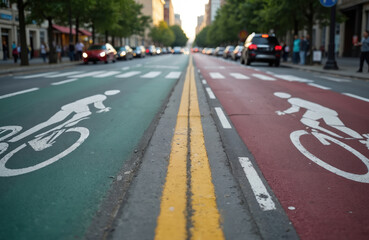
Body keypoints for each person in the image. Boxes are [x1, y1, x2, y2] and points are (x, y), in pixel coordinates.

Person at [274, 92, 368, 146]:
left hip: (323, 112)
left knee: (336, 125)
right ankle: (361, 138)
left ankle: (362, 138)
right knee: (307, 120)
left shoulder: (292, 100)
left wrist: (284, 112)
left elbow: (295, 109)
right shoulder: (294, 99)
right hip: (322, 111)